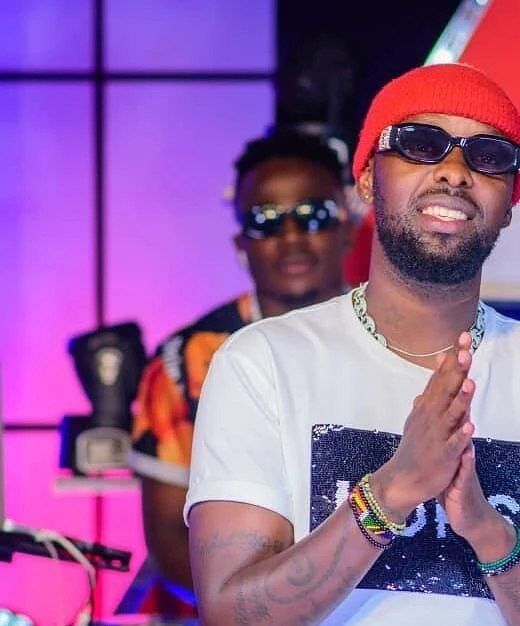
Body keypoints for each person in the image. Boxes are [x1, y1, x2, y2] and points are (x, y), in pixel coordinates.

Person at [185, 63, 520, 625]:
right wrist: (393, 490)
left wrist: (489, 532)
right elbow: (231, 615)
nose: (455, 172)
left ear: (509, 204)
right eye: (422, 144)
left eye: (488, 156)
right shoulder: (262, 363)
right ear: (367, 179)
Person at [128, 129, 356, 610]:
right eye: (265, 222)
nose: (291, 239)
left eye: (313, 216)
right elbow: (168, 537)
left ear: (348, 228)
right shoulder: (185, 359)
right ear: (240, 243)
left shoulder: (398, 337)